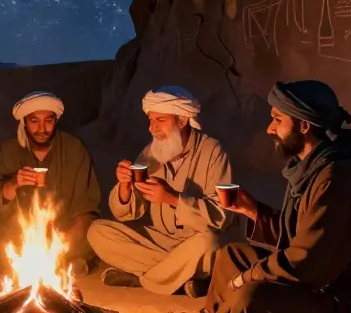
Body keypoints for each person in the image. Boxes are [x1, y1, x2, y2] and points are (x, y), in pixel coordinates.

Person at [205, 80, 351, 313]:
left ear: (304, 125)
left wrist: (247, 278)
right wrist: (254, 212)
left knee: (251, 297)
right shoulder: (310, 168)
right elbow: (302, 236)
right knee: (230, 256)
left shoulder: (339, 177)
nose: (270, 128)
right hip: (322, 282)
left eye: (277, 119)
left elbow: (307, 262)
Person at [87, 86, 241, 297]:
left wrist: (173, 199)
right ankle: (180, 277)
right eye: (150, 120)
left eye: (160, 120)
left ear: (182, 120)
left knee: (211, 244)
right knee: (97, 232)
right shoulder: (151, 152)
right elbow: (127, 214)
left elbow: (223, 215)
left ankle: (144, 280)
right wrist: (124, 185)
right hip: (159, 241)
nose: (152, 128)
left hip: (194, 240)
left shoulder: (213, 151)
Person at [0, 91, 102, 278]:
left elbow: (87, 204)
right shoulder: (6, 150)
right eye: (34, 121)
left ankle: (21, 266)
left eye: (48, 121)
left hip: (63, 233)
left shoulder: (74, 148)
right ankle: (63, 266)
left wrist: (66, 234)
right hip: (18, 233)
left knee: (93, 230)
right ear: (24, 122)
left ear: (56, 121)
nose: (42, 128)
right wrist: (12, 185)